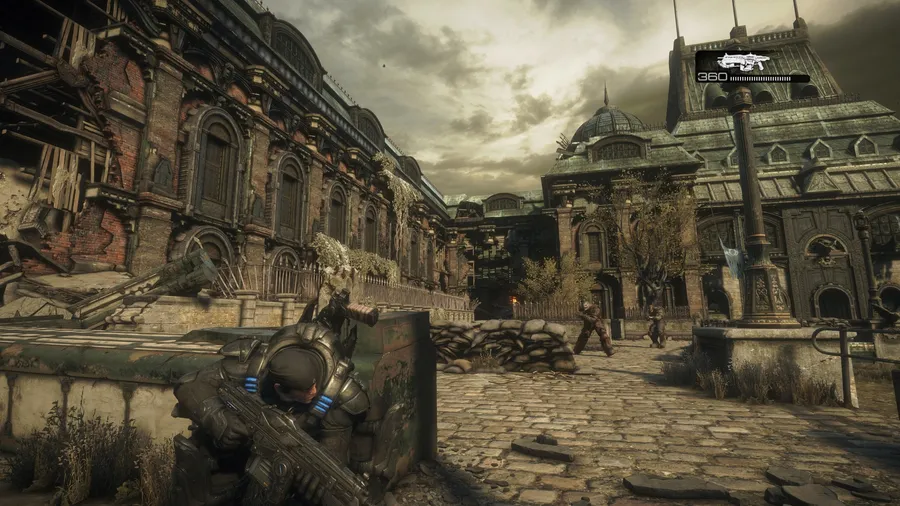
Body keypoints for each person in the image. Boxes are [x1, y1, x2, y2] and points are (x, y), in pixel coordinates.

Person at [170, 289, 373, 506]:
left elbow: (332, 460)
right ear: (279, 388)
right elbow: (189, 384)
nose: (314, 393)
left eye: (315, 386)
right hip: (231, 463)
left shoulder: (339, 395)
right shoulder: (253, 366)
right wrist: (219, 420)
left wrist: (309, 481)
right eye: (305, 392)